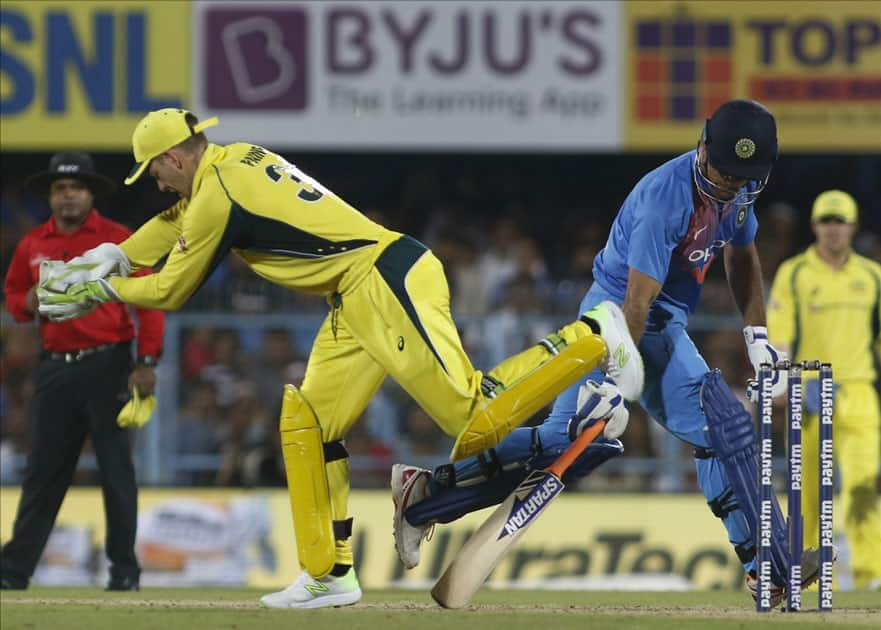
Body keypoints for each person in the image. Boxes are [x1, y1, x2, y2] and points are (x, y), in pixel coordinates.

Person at [35, 109, 644, 608]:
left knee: (473, 418)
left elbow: (170, 288)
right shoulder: (230, 159)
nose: (157, 184)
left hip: (381, 281)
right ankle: (329, 572)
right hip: (356, 293)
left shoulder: (216, 193)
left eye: (156, 172)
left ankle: (591, 333)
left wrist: (101, 286)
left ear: (174, 158)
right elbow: (173, 224)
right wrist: (116, 254)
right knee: (308, 420)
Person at [392, 99, 835, 606]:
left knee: (587, 442)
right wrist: (615, 379)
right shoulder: (664, 200)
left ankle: (427, 492)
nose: (733, 184)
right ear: (702, 147)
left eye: (744, 176)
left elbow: (740, 252)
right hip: (617, 323)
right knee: (696, 428)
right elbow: (637, 301)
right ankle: (770, 568)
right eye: (725, 172)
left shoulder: (738, 189)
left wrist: (757, 336)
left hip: (657, 323)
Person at [0, 153, 165, 591]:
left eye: (75, 187)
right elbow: (15, 293)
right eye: (59, 188)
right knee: (43, 474)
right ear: (51, 195)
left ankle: (124, 573)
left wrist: (147, 361)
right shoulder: (33, 244)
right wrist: (29, 302)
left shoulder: (118, 240)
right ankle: (13, 573)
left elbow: (148, 298)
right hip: (55, 368)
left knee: (116, 473)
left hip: (109, 365)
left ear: (90, 193)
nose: (68, 195)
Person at [767, 190, 881, 591]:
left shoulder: (872, 276)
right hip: (809, 393)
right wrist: (782, 378)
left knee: (865, 482)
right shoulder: (795, 272)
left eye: (841, 221)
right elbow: (779, 334)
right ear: (815, 226)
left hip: (859, 392)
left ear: (852, 226)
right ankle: (806, 578)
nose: (834, 230)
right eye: (826, 221)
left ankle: (871, 577)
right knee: (808, 492)